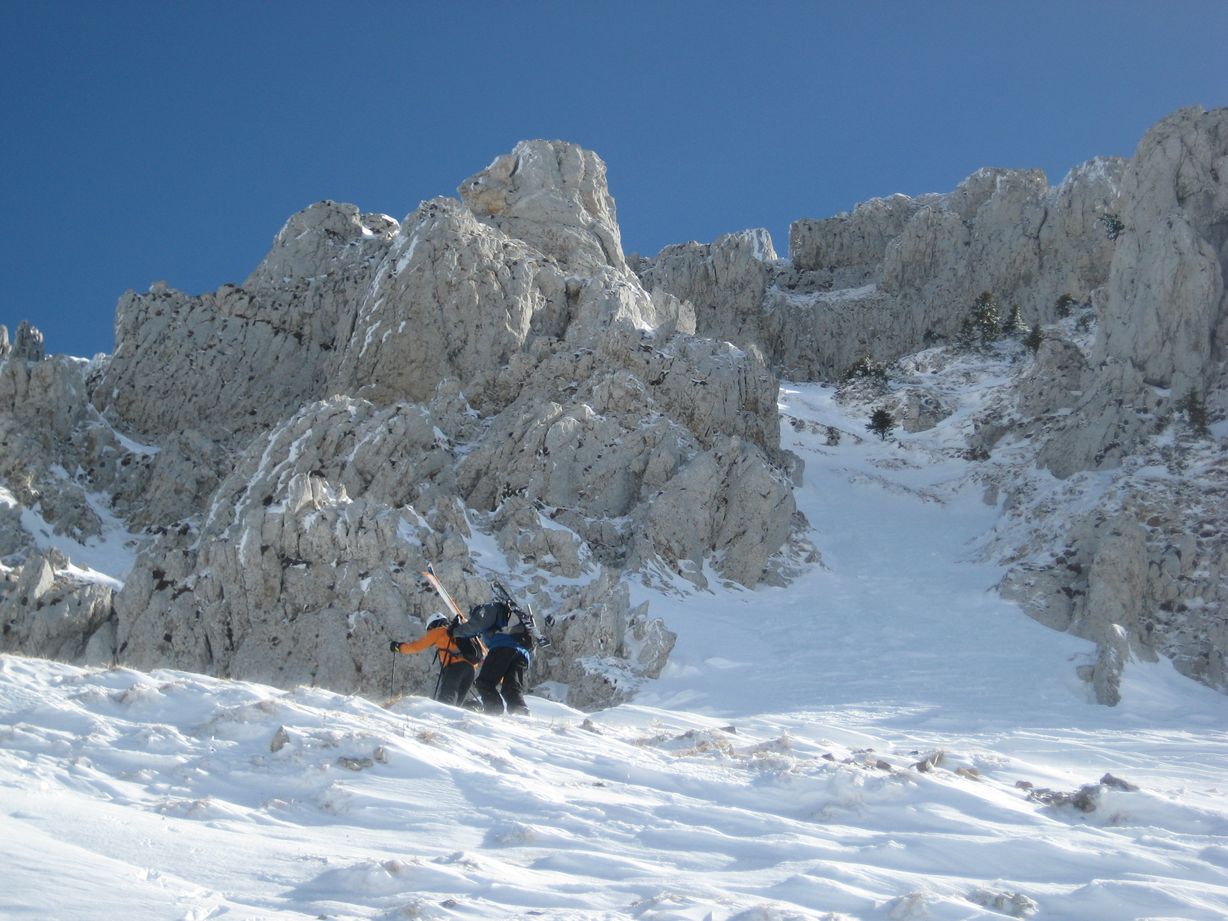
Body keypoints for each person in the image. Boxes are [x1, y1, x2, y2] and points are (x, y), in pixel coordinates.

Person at [452, 600, 534, 715]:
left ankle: (493, 712)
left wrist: (453, 632)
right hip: (523, 655)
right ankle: (521, 712)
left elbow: (476, 625)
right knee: (511, 687)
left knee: (484, 682)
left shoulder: (488, 609)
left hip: (503, 648)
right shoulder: (513, 619)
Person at [388, 613, 481, 706]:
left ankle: (441, 720)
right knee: (456, 705)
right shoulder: (461, 633)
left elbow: (415, 647)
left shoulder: (439, 631)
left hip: (455, 668)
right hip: (471, 671)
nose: (429, 632)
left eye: (429, 630)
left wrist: (399, 647)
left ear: (433, 625)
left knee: (446, 701)